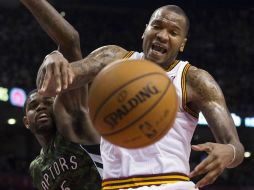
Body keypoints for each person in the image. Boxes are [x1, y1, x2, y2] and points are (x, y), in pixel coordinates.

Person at [36, 4, 244, 190]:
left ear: (182, 43)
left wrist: (229, 152)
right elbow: (56, 81)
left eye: (173, 32)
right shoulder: (113, 58)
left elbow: (235, 146)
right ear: (145, 31)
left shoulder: (194, 79)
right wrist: (53, 59)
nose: (163, 35)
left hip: (171, 184)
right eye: (157, 26)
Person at [21, 0, 102, 189]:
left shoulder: (74, 126)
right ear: (26, 121)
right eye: (33, 106)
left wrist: (53, 55)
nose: (41, 106)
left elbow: (70, 40)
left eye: (47, 103)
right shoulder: (36, 168)